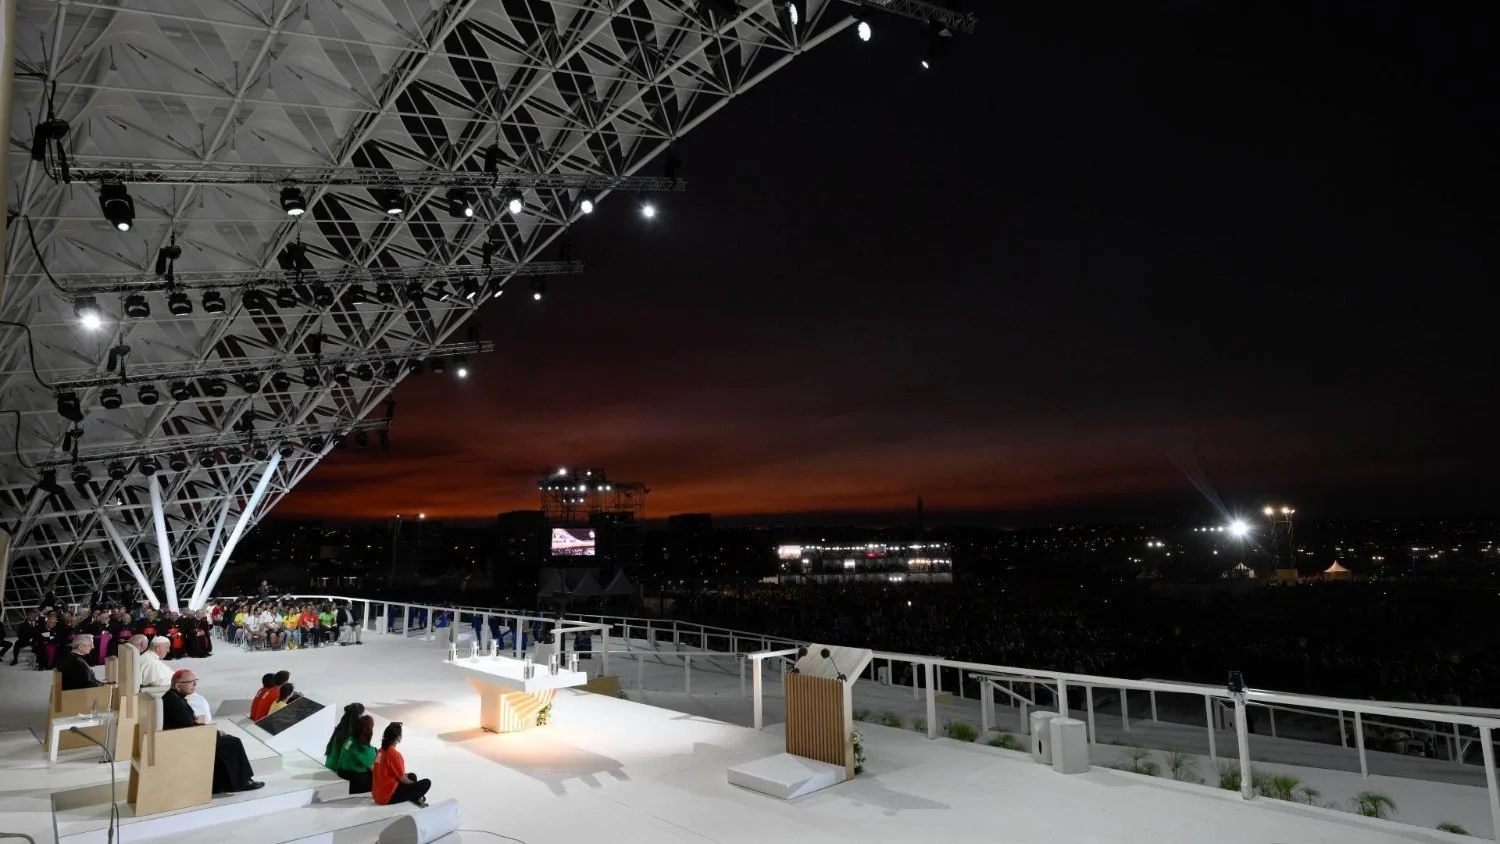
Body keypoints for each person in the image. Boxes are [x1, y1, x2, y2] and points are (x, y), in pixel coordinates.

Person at [162, 670, 263, 793]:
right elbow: (188, 726)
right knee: (234, 742)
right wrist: (212, 733)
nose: (194, 685)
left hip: (184, 736)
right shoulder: (174, 702)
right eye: (191, 682)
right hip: (185, 739)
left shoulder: (175, 697)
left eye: (195, 681)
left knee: (226, 740)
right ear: (178, 685)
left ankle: (225, 783)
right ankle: (242, 782)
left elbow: (188, 722)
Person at [372, 722, 430, 808]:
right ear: (399, 738)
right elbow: (403, 779)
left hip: (377, 793)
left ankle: (413, 796)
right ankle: (414, 796)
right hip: (387, 796)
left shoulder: (380, 752)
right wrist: (414, 784)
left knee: (412, 776)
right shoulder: (395, 755)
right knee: (426, 783)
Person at [335, 714, 377, 795]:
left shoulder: (349, 740)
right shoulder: (366, 750)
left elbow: (344, 752)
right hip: (356, 782)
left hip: (342, 774)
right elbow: (374, 769)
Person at [324, 703, 366, 769]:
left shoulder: (342, 723)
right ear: (359, 714)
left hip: (329, 765)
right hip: (337, 771)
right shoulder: (352, 734)